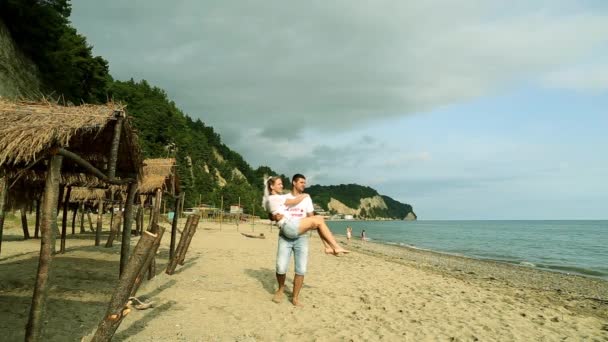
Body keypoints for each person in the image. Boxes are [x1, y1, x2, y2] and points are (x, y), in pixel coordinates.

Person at [264, 174, 348, 306]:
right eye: (301, 182)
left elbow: (312, 219)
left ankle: (295, 297)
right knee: (280, 267)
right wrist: (274, 217)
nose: (304, 184)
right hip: (285, 236)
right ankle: (281, 288)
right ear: (294, 182)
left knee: (301, 269)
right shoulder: (283, 197)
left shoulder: (307, 200)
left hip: (301, 237)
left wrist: (312, 223)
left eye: (305, 182)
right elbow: (271, 212)